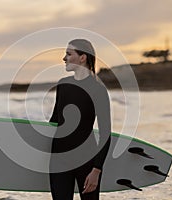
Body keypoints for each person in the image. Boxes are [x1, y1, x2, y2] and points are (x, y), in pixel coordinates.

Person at [49, 39, 111, 200]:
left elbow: (105, 133)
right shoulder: (63, 85)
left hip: (87, 160)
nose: (64, 58)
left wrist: (97, 170)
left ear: (82, 57)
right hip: (59, 160)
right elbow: (54, 122)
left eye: (69, 54)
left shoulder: (97, 89)